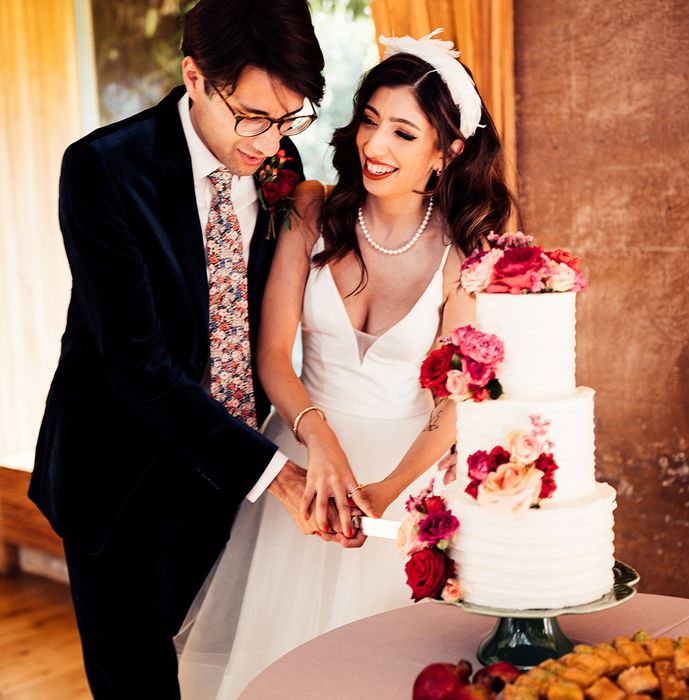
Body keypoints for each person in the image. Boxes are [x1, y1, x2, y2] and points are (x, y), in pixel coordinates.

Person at [27, 2, 359, 698]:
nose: (269, 143)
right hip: (119, 479)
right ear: (195, 76)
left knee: (219, 676)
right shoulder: (102, 171)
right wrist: (280, 476)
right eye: (252, 117)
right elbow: (139, 369)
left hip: (227, 481)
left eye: (288, 118)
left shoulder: (279, 160)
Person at [176, 29, 515, 699]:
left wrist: (388, 492)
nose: (374, 146)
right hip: (304, 461)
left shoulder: (466, 256)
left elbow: (457, 406)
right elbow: (272, 355)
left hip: (407, 480)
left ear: (447, 154)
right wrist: (320, 444)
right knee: (275, 668)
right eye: (368, 121)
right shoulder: (312, 210)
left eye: (403, 133)